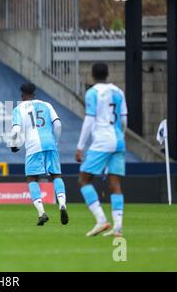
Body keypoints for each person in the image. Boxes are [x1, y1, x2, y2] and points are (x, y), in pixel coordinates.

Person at [75, 62, 127, 237]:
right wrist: (120, 136)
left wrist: (80, 147)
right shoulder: (118, 92)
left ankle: (101, 220)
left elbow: (89, 121)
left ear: (92, 75)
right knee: (114, 183)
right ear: (107, 74)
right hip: (118, 140)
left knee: (84, 179)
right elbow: (124, 119)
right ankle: (118, 227)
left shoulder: (93, 93)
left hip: (102, 141)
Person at [11, 83, 69, 226]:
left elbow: (16, 130)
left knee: (32, 179)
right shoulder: (47, 105)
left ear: (22, 95)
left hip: (33, 146)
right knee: (56, 175)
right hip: (50, 143)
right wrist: (54, 141)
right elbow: (58, 124)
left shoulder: (18, 109)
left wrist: (14, 145)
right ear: (35, 93)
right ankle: (62, 204)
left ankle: (41, 212)